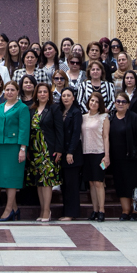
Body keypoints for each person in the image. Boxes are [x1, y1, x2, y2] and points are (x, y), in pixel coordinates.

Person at [0, 80, 29, 221]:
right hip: (2, 146)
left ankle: (8, 211)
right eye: (7, 90)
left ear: (17, 92)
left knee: (12, 179)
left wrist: (22, 149)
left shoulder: (22, 108)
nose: (9, 92)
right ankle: (14, 209)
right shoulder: (1, 106)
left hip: (15, 147)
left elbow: (24, 129)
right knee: (5, 179)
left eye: (12, 90)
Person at [108, 90, 137, 220]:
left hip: (133, 158)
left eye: (123, 102)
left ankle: (136, 211)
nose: (120, 104)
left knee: (134, 185)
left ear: (128, 104)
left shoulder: (134, 118)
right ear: (114, 103)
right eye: (118, 101)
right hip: (117, 159)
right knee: (121, 185)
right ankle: (125, 210)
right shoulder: (111, 118)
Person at [27, 82, 63, 222]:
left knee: (47, 181)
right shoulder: (32, 110)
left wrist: (59, 149)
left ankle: (47, 211)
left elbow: (59, 130)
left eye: (45, 92)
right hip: (35, 150)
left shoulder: (54, 109)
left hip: (48, 149)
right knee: (39, 181)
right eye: (40, 92)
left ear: (49, 94)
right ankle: (42, 210)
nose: (42, 94)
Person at [82, 91, 111, 221]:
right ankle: (94, 209)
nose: (93, 103)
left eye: (96, 101)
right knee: (91, 183)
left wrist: (107, 155)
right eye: (92, 100)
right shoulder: (83, 117)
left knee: (99, 182)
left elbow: (106, 137)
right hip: (86, 152)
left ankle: (102, 210)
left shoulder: (104, 117)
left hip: (99, 152)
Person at [57, 86, 84, 221]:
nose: (66, 98)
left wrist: (70, 152)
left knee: (72, 184)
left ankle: (71, 213)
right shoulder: (60, 111)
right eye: (64, 96)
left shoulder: (76, 112)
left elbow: (75, 133)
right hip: (61, 152)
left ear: (73, 98)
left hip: (72, 153)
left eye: (68, 95)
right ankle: (66, 211)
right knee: (65, 184)